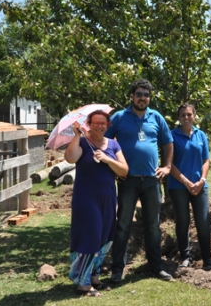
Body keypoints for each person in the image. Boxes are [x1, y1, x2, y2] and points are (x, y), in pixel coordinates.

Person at [105, 79, 174, 282]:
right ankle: (117, 269)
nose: (142, 98)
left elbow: (168, 143)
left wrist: (168, 166)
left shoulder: (157, 117)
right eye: (139, 94)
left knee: (153, 225)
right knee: (123, 225)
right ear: (132, 96)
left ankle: (156, 267)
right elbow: (107, 143)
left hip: (152, 181)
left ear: (149, 98)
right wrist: (114, 166)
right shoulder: (119, 117)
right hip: (128, 180)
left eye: (146, 94)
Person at [64, 110, 129, 297]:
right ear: (89, 124)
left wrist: (107, 159)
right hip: (86, 199)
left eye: (103, 123)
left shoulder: (114, 145)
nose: (99, 126)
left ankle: (94, 276)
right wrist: (76, 135)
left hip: (108, 198)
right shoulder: (83, 142)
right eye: (95, 123)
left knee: (105, 238)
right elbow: (70, 158)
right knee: (91, 236)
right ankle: (83, 283)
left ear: (108, 125)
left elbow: (124, 170)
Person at [168, 103, 211, 271]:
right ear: (179, 117)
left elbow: (206, 160)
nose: (186, 117)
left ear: (194, 115)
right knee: (183, 222)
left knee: (203, 222)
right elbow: (169, 164)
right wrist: (185, 182)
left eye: (189, 114)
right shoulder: (172, 135)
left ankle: (208, 259)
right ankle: (185, 257)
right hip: (178, 186)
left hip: (200, 186)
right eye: (182, 115)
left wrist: (202, 180)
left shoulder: (200, 135)